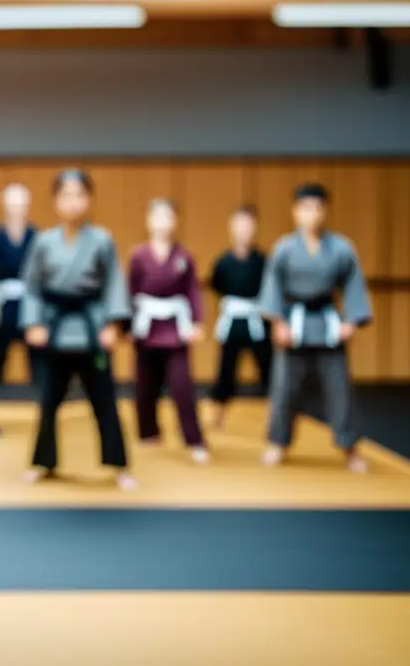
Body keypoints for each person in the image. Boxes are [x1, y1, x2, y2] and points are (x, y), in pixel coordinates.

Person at [20, 169, 136, 488]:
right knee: (48, 401)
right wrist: (33, 323)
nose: (73, 202)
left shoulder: (102, 240)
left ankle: (119, 464)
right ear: (56, 201)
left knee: (105, 400)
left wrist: (114, 325)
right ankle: (44, 462)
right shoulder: (43, 242)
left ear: (89, 200)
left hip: (92, 328)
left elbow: (114, 282)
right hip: (56, 328)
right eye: (66, 195)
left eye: (79, 195)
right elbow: (31, 286)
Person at [259, 183, 371, 474]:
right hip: (294, 323)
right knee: (284, 388)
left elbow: (353, 285)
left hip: (327, 322)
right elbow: (272, 288)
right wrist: (278, 322)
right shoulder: (284, 248)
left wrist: (351, 321)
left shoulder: (341, 248)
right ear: (295, 212)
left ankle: (349, 447)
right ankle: (277, 442)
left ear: (325, 211)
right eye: (305, 208)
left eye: (317, 208)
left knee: (339, 389)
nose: (311, 214)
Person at [128, 199, 209, 465]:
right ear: (148, 221)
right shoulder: (138, 256)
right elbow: (130, 290)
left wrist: (197, 322)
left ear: (175, 222)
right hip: (146, 325)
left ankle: (194, 439)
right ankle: (148, 431)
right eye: (157, 217)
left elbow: (192, 292)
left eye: (168, 217)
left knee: (181, 385)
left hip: (175, 328)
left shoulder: (184, 258)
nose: (162, 222)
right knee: (145, 385)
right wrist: (126, 323)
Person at [208, 205, 272, 429]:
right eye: (239, 225)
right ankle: (219, 412)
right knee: (226, 369)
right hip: (233, 322)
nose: (244, 230)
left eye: (248, 225)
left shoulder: (264, 262)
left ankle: (274, 413)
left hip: (258, 322)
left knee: (268, 368)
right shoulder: (223, 262)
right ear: (231, 228)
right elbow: (216, 285)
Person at [0, 183, 38, 385]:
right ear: (4, 206)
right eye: (12, 204)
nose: (16, 208)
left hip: (28, 301)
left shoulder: (36, 237)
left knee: (35, 351)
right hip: (2, 302)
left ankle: (37, 398)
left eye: (20, 204)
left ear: (28, 206)